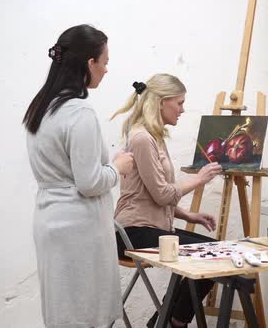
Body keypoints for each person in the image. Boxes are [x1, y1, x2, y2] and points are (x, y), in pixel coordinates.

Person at [23, 24, 134, 328]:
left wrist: (104, 169)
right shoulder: (79, 113)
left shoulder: (42, 107)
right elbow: (88, 183)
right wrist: (117, 168)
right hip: (78, 229)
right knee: (85, 315)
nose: (107, 70)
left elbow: (70, 171)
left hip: (49, 221)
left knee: (62, 313)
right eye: (105, 62)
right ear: (90, 64)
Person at [110, 73, 223, 328]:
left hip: (151, 228)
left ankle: (164, 322)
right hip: (132, 232)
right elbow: (162, 194)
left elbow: (151, 196)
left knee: (217, 251)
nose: (183, 110)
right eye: (180, 103)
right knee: (213, 255)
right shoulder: (142, 138)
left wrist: (187, 215)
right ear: (162, 102)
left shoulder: (154, 136)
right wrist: (199, 179)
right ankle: (172, 322)